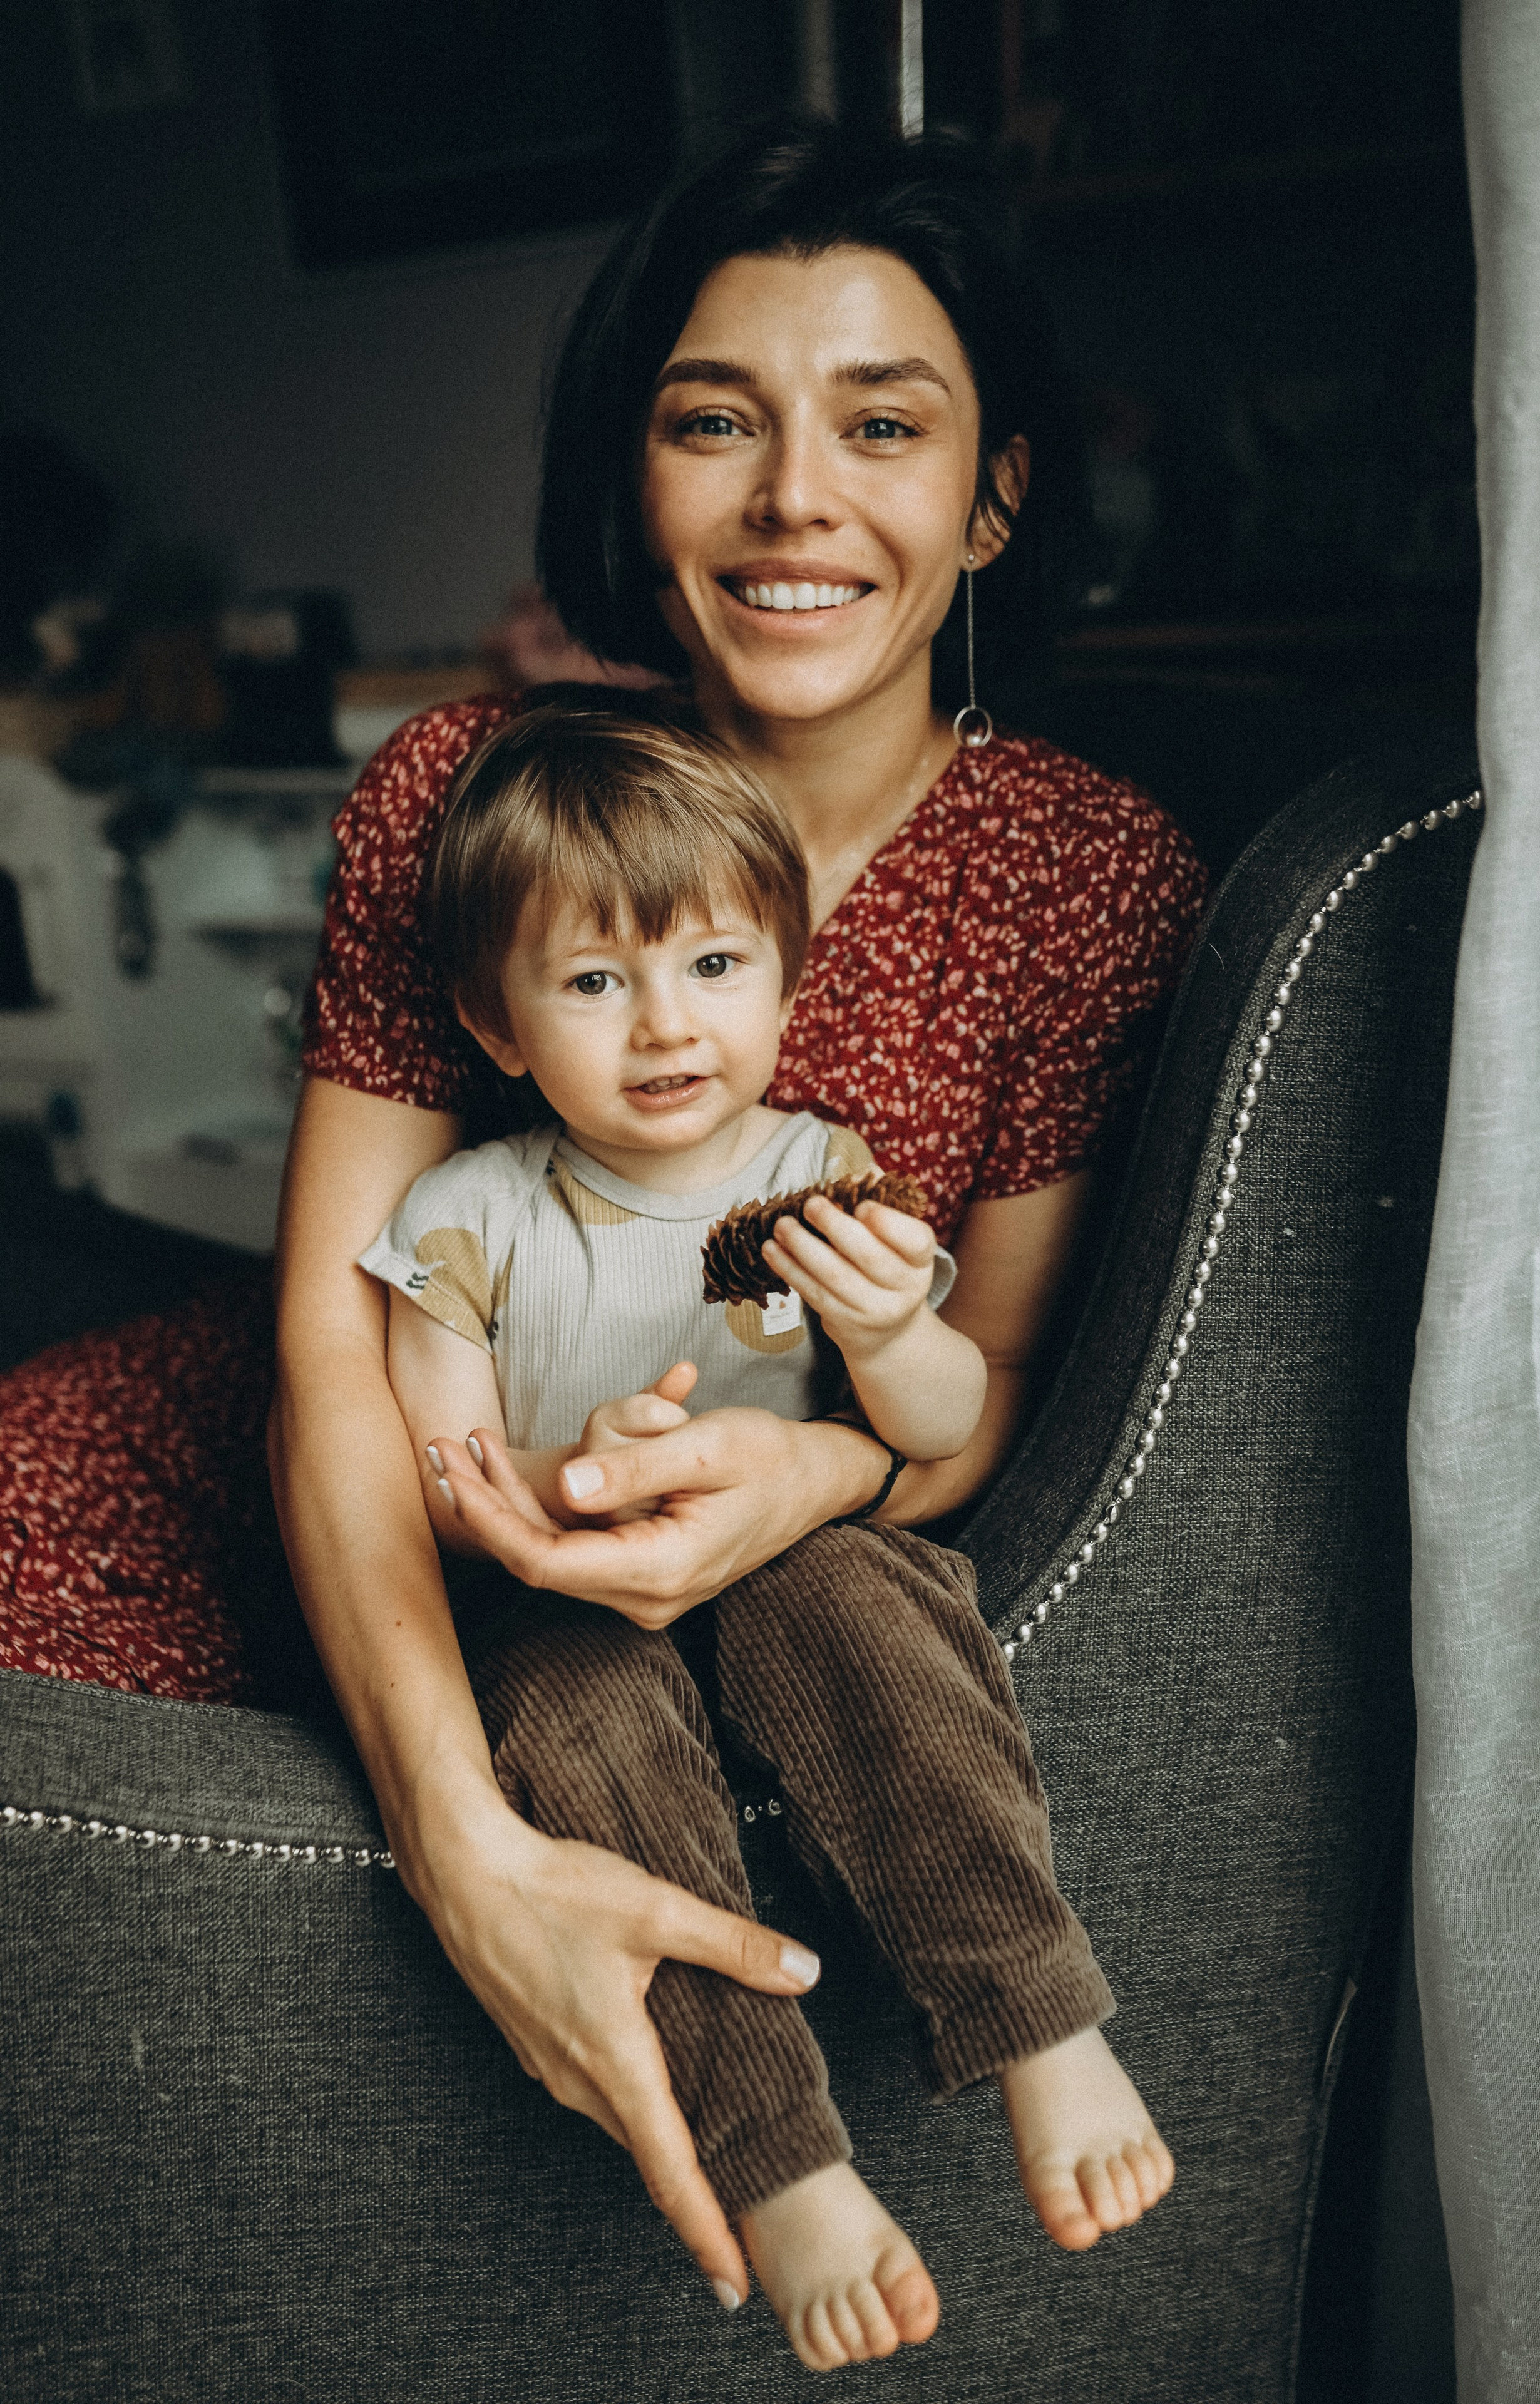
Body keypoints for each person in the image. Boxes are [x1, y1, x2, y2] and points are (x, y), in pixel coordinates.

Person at [0, 120, 1205, 2370]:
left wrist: (818, 1470)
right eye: (713, 420)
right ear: (637, 479)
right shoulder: (467, 795)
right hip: (313, 1482)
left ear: (996, 498)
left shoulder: (1083, 876)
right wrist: (459, 1841)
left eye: (885, 425)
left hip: (742, 1573)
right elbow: (337, 1345)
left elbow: (1004, 1398)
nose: (793, 498)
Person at [361, 706, 1173, 2368]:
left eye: (716, 966)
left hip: (788, 1566)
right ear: (496, 1024)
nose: (667, 1023)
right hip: (563, 1599)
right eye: (595, 983)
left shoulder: (821, 1176)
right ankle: (783, 2163)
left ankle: (1035, 2015)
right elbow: (442, 1471)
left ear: (787, 984)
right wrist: (573, 1476)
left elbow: (939, 1424)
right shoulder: (465, 1216)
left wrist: (889, 1336)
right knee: (581, 1731)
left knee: (868, 1604)